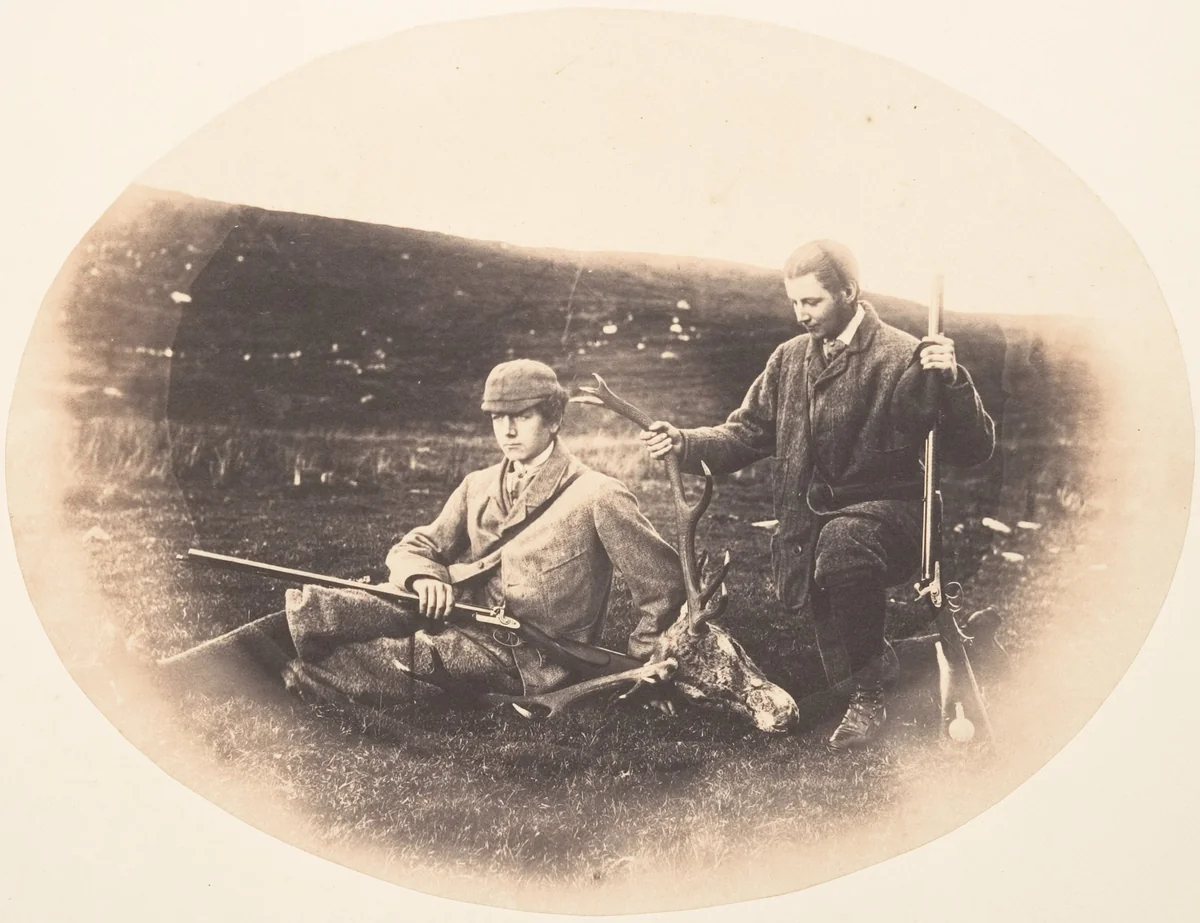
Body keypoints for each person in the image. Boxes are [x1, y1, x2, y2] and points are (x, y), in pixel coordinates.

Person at [641, 240, 995, 749]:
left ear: (849, 292)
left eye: (812, 302)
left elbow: (973, 449)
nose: (800, 314)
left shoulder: (903, 355)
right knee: (837, 667)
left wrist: (954, 381)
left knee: (844, 549)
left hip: (894, 517)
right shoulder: (788, 360)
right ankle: (923, 656)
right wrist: (686, 441)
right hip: (812, 523)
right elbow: (746, 433)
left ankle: (870, 699)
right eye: (794, 302)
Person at [276, 358, 686, 705]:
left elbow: (664, 587)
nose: (507, 432)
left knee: (345, 667)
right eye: (498, 419)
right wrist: (425, 578)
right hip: (455, 612)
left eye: (522, 418)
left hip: (527, 658)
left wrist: (640, 667)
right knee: (320, 610)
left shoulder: (599, 494)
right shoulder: (479, 483)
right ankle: (266, 645)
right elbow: (417, 545)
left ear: (555, 419)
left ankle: (266, 672)